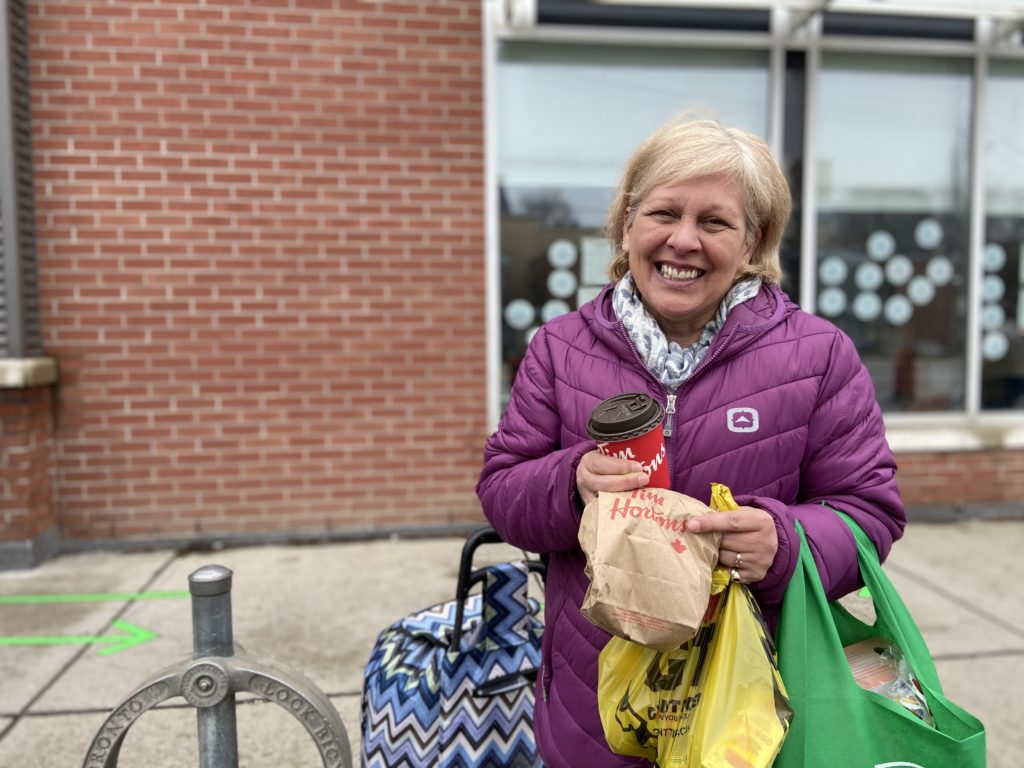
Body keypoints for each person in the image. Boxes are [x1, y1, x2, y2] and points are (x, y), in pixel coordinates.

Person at [476, 115, 904, 768]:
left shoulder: (819, 355)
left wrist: (786, 543)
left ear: (753, 240)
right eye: (664, 213)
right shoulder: (558, 349)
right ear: (627, 224)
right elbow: (502, 490)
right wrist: (571, 481)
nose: (683, 241)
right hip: (596, 710)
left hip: (757, 708)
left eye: (714, 222)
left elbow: (869, 511)